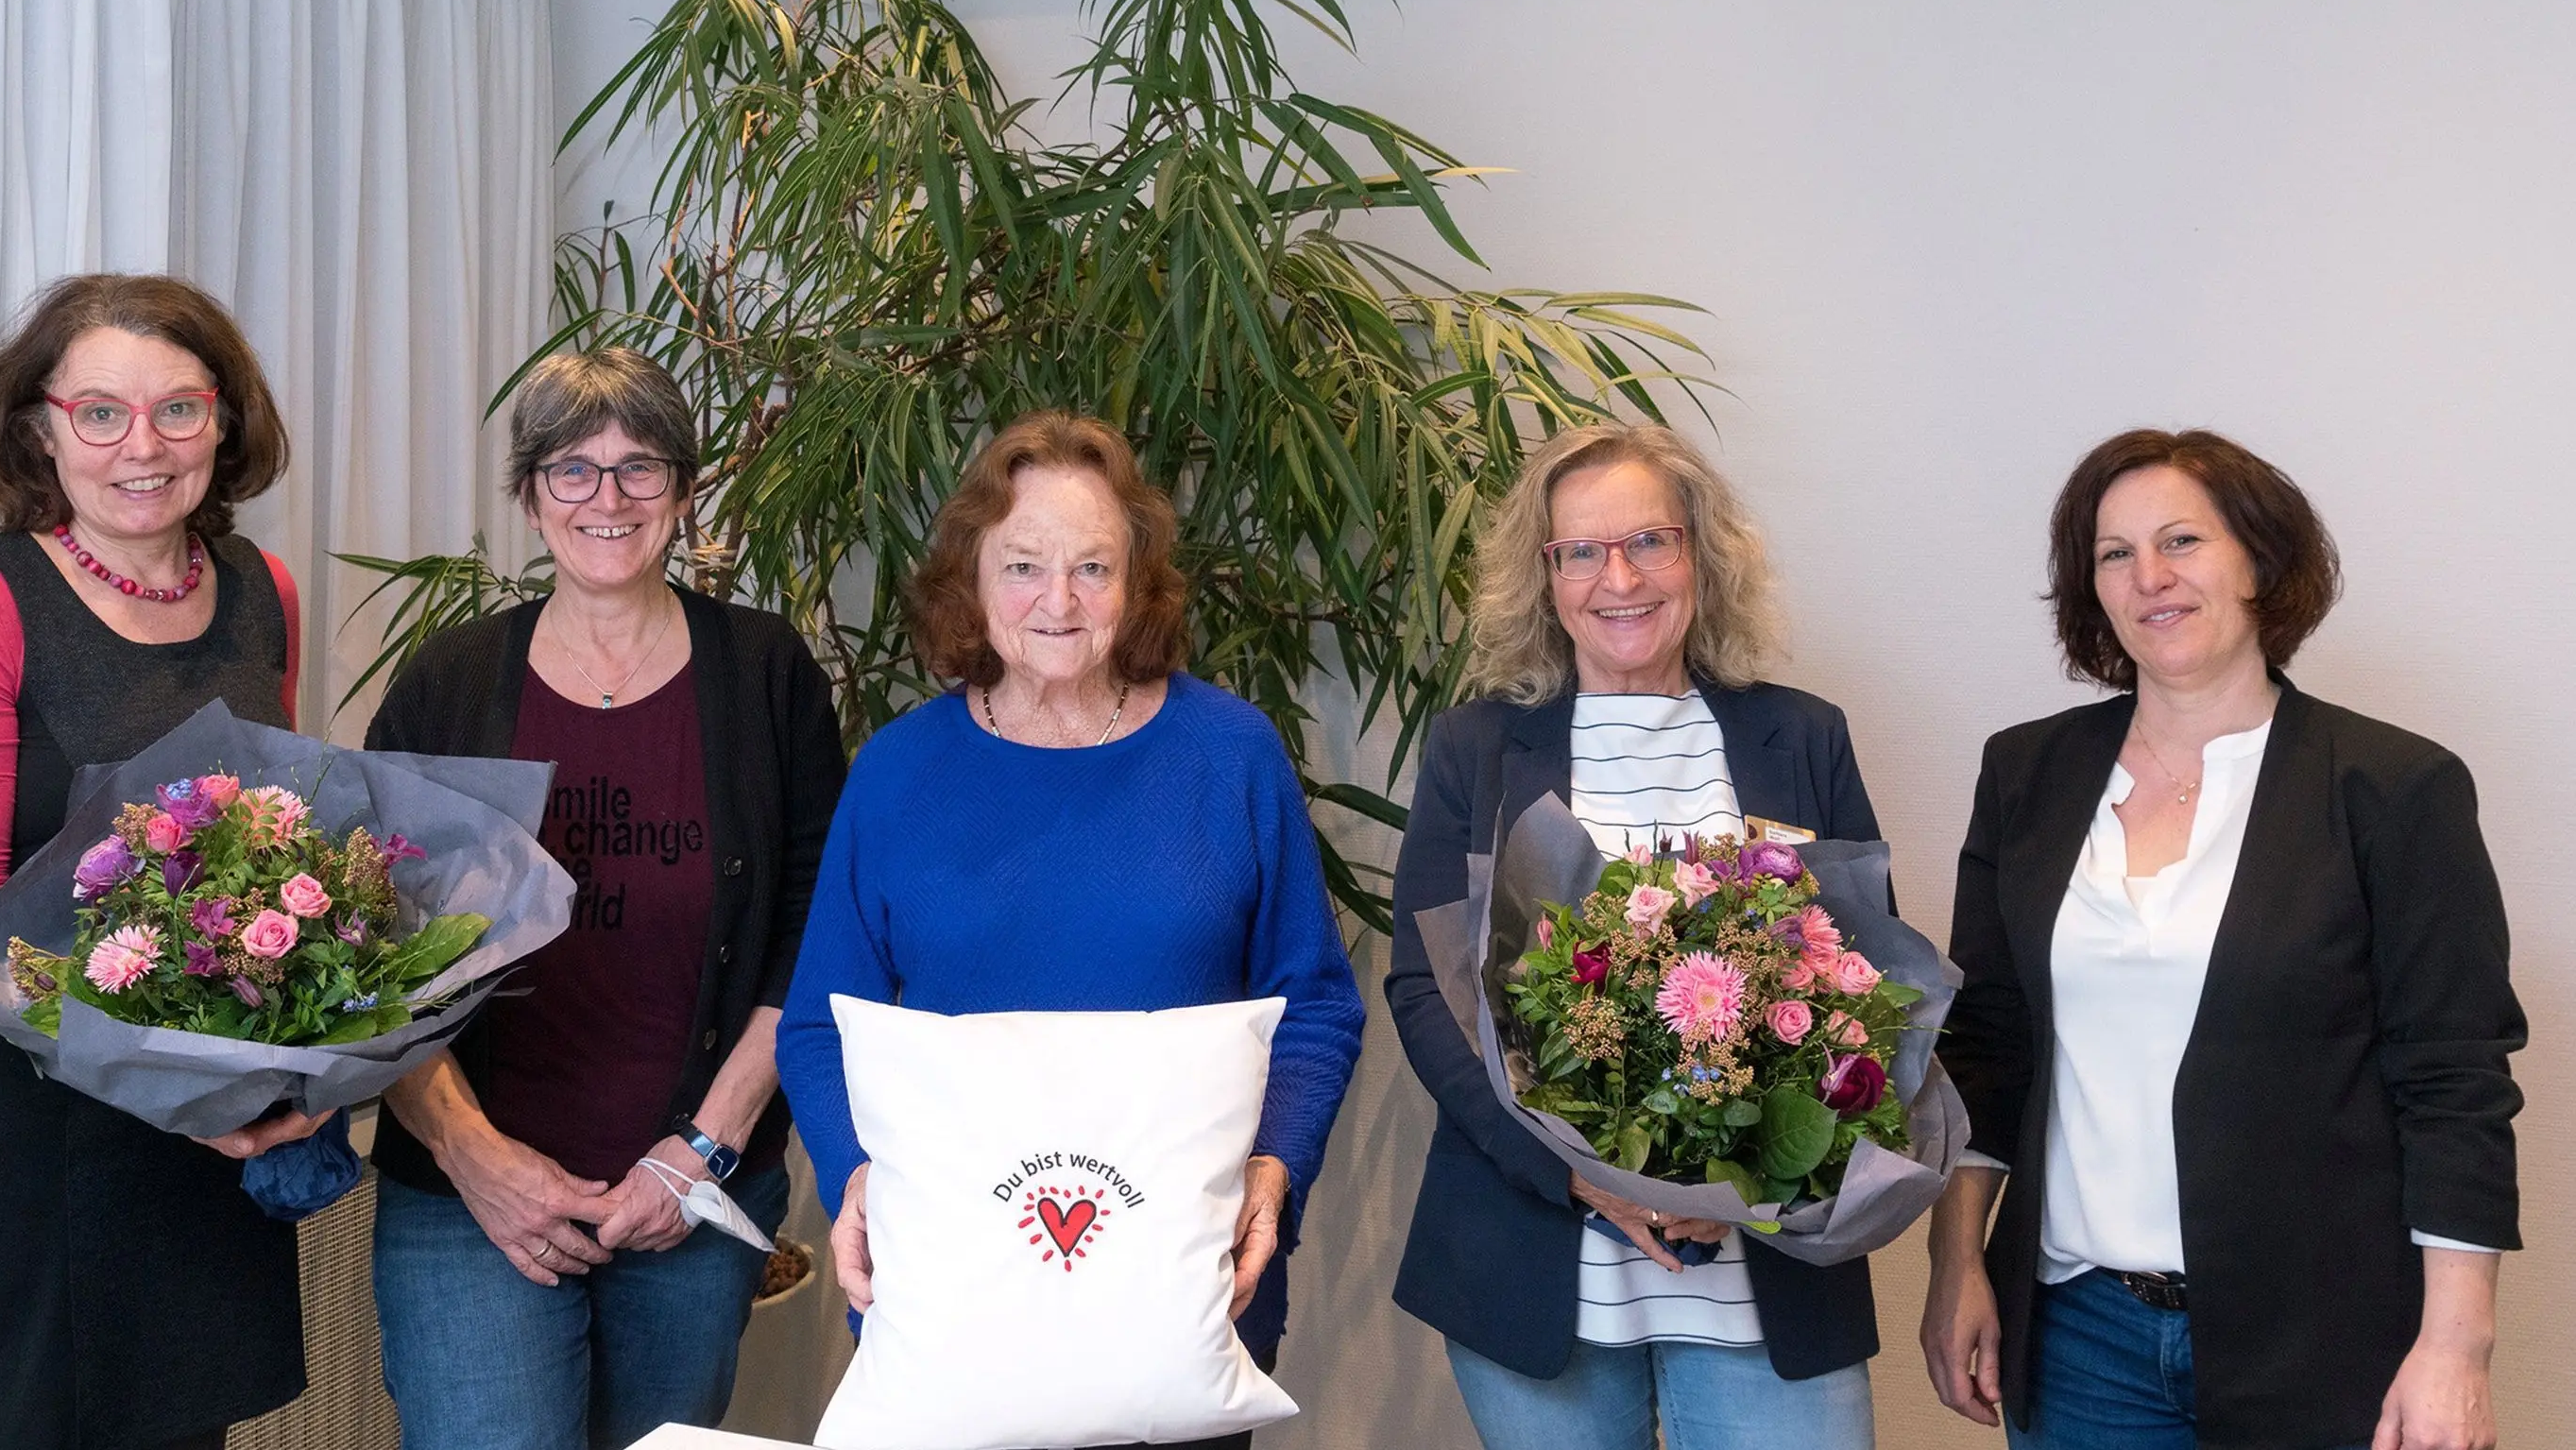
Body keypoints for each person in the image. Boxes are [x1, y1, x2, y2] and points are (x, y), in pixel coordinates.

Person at [775, 411, 1367, 1448]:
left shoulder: (1231, 755)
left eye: (1093, 566)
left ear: (1138, 581)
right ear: (971, 577)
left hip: (1180, 1294)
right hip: (954, 1303)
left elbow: (1313, 1002)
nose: (1059, 600)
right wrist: (854, 1173)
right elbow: (823, 1023)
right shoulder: (898, 772)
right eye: (1023, 566)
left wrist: (1274, 1170)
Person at [1920, 428, 2521, 1450]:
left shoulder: (2392, 787)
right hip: (2078, 1337)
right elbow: (1985, 1044)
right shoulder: (2027, 773)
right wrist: (1957, 1261)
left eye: (2182, 540)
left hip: (2324, 1334)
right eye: (2115, 553)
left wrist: (2457, 1347)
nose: (2149, 576)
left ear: (2260, 560)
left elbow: (2453, 1077)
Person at [365, 348, 846, 1449]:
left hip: (695, 1194)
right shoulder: (449, 682)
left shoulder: (766, 673)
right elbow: (371, 951)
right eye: (572, 469)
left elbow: (816, 931)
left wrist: (700, 1151)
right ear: (531, 496)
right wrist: (475, 1156)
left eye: (640, 467)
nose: (608, 497)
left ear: (681, 490)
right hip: (469, 1200)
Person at [0, 273, 320, 1448]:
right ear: (41, 428)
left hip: (191, 1142)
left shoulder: (263, 592)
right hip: (14, 1143)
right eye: (101, 412)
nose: (144, 445)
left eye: (179, 407)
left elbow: (264, 850)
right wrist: (168, 1085)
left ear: (223, 421)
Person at [1383, 420, 1885, 1450]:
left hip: (1766, 1276)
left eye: (1651, 540)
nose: (1620, 578)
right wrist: (1575, 1170)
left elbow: (1865, 984)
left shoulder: (1803, 736)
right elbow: (1425, 988)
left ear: (1702, 552)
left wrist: (1747, 1180)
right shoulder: (1477, 747)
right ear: (1545, 576)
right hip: (1535, 1263)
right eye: (1581, 551)